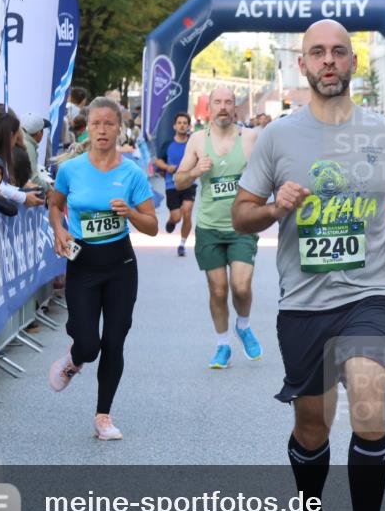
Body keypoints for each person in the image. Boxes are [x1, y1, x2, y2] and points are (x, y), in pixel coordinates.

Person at [232, 19, 385, 511]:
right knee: (312, 426)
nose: (328, 61)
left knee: (369, 402)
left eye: (339, 52)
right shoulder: (277, 138)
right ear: (302, 64)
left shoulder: (383, 132)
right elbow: (241, 215)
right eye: (317, 52)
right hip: (303, 303)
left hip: (368, 296)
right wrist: (273, 208)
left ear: (352, 63)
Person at [47, 97, 158, 440]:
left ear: (119, 128)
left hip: (120, 265)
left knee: (113, 342)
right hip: (83, 264)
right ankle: (75, 357)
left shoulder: (132, 173)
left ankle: (103, 416)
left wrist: (131, 213)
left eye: (109, 123)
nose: (102, 130)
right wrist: (59, 230)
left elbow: (152, 226)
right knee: (88, 345)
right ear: (87, 128)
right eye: (96, 123)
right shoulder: (71, 170)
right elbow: (55, 205)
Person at [173, 88, 262, 368]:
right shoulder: (198, 140)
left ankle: (243, 326)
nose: (223, 107)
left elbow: (270, 174)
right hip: (209, 228)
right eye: (217, 102)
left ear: (235, 107)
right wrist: (196, 171)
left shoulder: (250, 138)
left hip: (242, 225)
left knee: (241, 287)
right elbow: (178, 181)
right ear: (209, 107)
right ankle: (223, 345)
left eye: (228, 102)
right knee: (219, 290)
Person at [155, 112, 194, 256]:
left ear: (188, 126)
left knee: (187, 211)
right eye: (179, 123)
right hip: (172, 184)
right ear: (174, 126)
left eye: (185, 123)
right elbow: (158, 160)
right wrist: (167, 167)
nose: (182, 125)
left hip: (189, 183)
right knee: (177, 217)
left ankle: (182, 244)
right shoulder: (168, 143)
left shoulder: (192, 143)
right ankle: (172, 220)